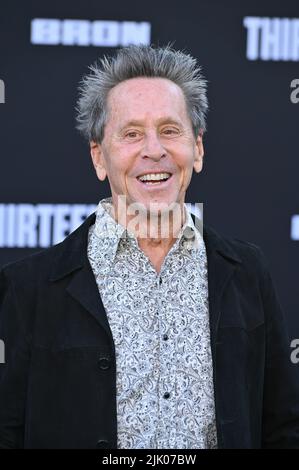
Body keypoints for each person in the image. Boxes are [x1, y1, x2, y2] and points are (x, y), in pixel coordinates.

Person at [0, 45, 299, 449]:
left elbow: (280, 427)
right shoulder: (27, 289)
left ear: (198, 149)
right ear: (98, 158)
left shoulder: (247, 272)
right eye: (132, 133)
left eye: (170, 130)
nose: (154, 150)